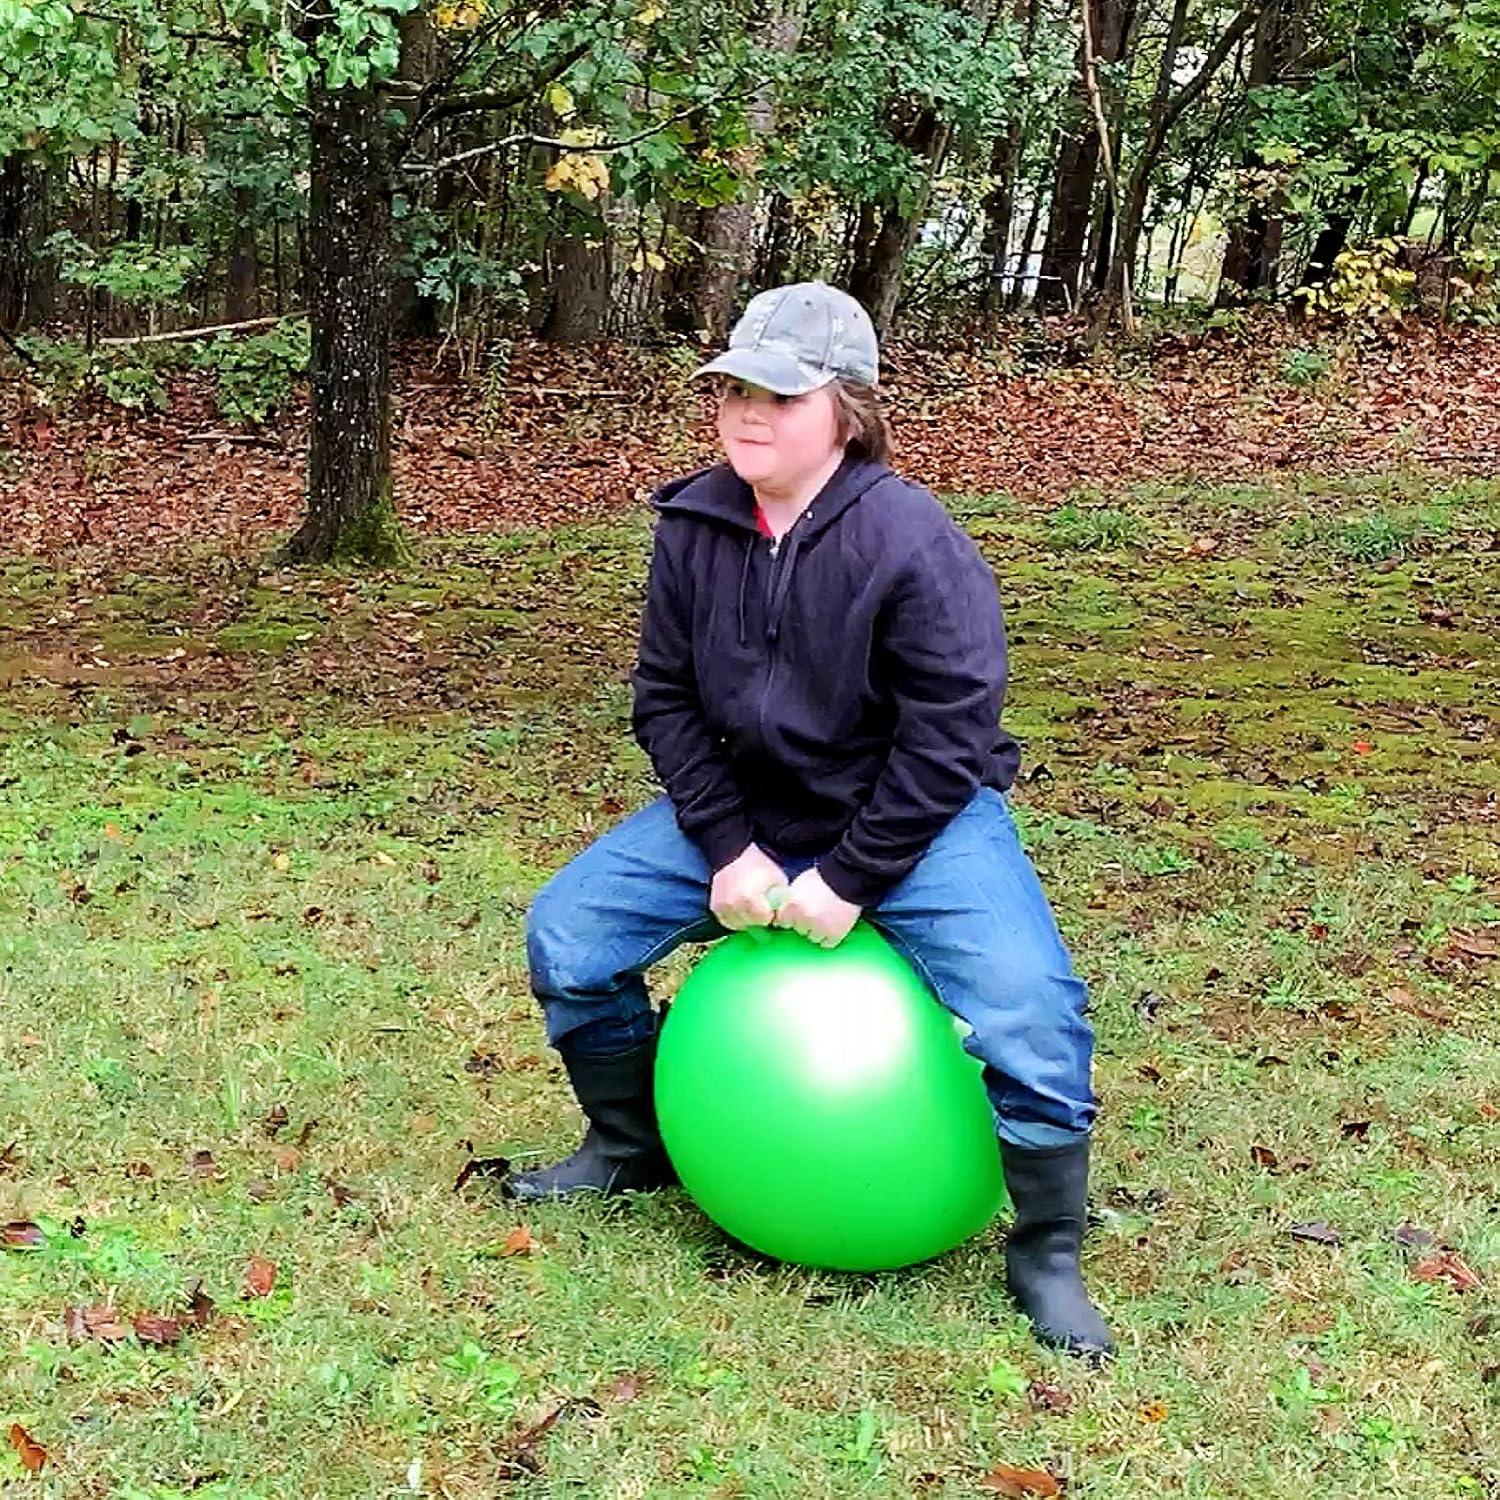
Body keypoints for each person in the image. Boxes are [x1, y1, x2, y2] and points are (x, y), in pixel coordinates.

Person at [504, 282, 1112, 1357]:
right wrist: (729, 845)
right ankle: (632, 1142)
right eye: (734, 388)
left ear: (848, 405)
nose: (747, 413)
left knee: (1034, 1011)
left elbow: (952, 731)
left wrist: (855, 876)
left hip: (916, 820)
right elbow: (666, 699)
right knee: (571, 936)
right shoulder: (694, 523)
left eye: (778, 396)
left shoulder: (910, 539)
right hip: (751, 810)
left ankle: (1048, 1254)